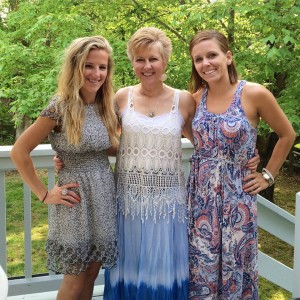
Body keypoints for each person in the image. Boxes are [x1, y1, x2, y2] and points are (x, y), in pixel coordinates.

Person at [187, 29, 295, 299]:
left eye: (212, 55)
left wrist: (267, 176)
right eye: (198, 59)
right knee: (201, 268)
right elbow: (186, 133)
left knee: (237, 266)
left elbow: (287, 134)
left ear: (228, 56)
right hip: (200, 200)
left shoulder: (254, 93)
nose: (205, 63)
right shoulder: (194, 98)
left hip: (237, 199)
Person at [10, 36, 119, 300]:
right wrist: (45, 194)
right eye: (89, 66)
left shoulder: (106, 105)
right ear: (75, 67)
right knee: (75, 277)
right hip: (75, 199)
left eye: (102, 67)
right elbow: (19, 152)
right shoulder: (60, 107)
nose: (96, 73)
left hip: (103, 194)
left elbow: (111, 148)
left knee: (92, 273)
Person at [103, 26, 195, 299]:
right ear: (132, 62)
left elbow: (205, 142)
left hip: (168, 207)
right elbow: (102, 141)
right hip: (128, 204)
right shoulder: (122, 97)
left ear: (165, 61)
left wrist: (247, 159)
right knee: (128, 267)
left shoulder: (185, 100)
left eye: (153, 59)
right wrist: (69, 155)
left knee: (161, 271)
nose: (146, 66)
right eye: (139, 59)